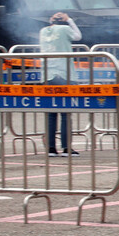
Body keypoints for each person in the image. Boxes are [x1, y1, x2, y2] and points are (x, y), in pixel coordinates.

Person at [39, 11, 82, 156]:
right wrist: (69, 20)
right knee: (66, 113)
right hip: (64, 73)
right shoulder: (65, 29)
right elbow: (78, 36)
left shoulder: (43, 31)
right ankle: (66, 147)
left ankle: (51, 147)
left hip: (47, 74)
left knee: (51, 113)